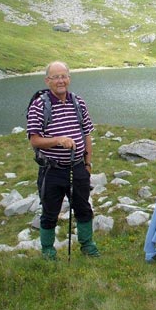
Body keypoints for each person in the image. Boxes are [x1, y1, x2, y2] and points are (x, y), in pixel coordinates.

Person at [26, 61, 100, 260]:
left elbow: (86, 134)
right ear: (47, 80)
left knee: (83, 207)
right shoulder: (39, 105)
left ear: (69, 78)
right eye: (55, 77)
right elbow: (34, 140)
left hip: (77, 167)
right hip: (52, 170)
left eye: (64, 76)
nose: (60, 81)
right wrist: (58, 140)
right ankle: (48, 251)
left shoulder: (78, 102)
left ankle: (87, 246)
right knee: (50, 212)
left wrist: (87, 163)